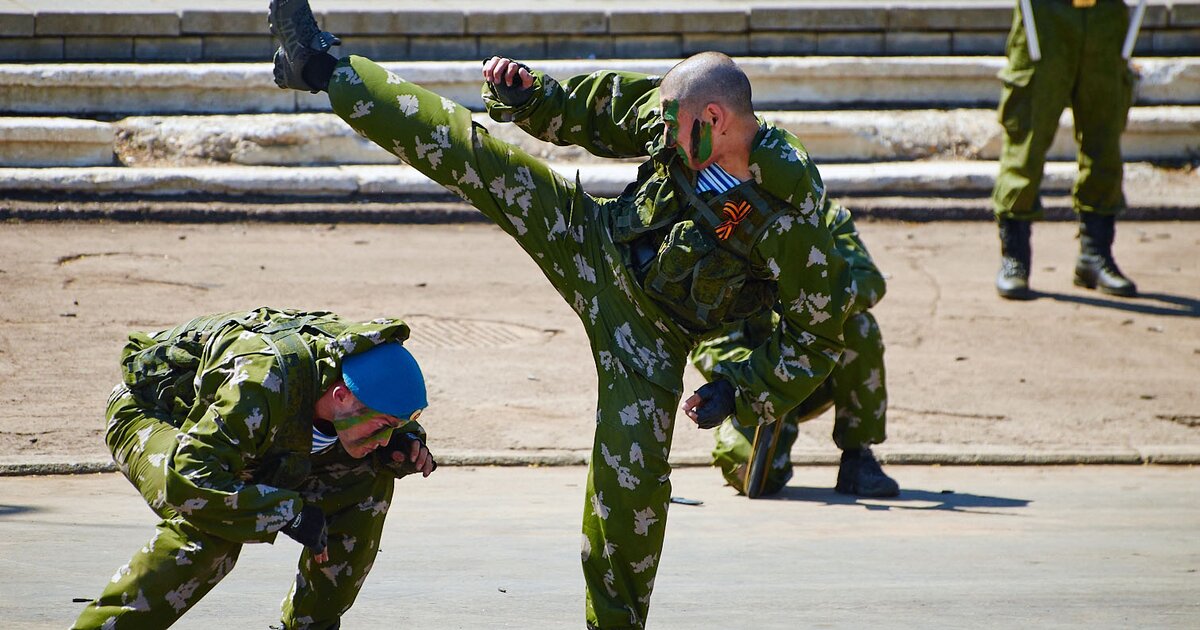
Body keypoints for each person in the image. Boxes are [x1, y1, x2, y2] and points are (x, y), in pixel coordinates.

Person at [268, 2, 856, 627]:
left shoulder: (787, 209)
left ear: (714, 118)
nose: (662, 135)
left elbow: (820, 330)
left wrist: (740, 389)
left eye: (675, 127)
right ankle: (322, 64)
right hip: (596, 242)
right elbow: (599, 111)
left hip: (653, 333)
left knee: (630, 489)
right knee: (476, 156)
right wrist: (530, 95)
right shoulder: (677, 115)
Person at [72, 307, 436, 630]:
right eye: (383, 427)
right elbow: (190, 478)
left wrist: (404, 445)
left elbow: (382, 420)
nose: (387, 436)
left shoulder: (356, 382)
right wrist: (286, 513)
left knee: (367, 483)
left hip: (255, 439)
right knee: (210, 528)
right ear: (341, 397)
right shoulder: (259, 384)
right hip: (160, 416)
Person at [691, 198, 897, 498]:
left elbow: (868, 279)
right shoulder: (734, 219)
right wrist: (746, 383)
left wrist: (810, 298)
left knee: (860, 326)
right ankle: (759, 437)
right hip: (754, 376)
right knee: (756, 480)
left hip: (815, 367)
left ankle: (858, 457)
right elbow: (714, 336)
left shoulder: (824, 214)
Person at [993, 0, 1138, 300]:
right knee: (1028, 137)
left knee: (1105, 137)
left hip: (1105, 15)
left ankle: (1095, 256)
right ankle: (1015, 259)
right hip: (1045, 15)